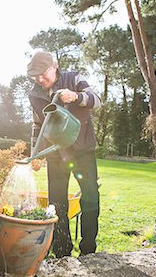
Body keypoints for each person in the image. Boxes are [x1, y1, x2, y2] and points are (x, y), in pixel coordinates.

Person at [26, 51, 101, 257]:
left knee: (90, 197)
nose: (41, 79)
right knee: (57, 202)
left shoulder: (73, 78)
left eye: (43, 73)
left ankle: (88, 250)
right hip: (56, 153)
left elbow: (97, 100)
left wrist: (76, 96)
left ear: (55, 66)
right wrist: (35, 153)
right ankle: (61, 251)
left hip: (83, 149)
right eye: (36, 76)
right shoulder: (35, 94)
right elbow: (38, 125)